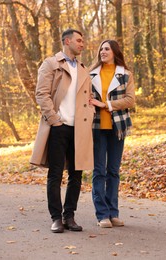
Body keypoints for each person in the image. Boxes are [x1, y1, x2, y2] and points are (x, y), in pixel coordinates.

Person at [30, 29, 94, 233]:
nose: (82, 44)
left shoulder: (84, 68)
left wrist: (90, 112)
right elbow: (41, 94)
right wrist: (54, 119)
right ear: (67, 41)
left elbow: (89, 98)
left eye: (82, 41)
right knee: (55, 174)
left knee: (76, 175)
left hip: (80, 129)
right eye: (79, 40)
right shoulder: (51, 64)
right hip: (59, 127)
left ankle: (70, 216)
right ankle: (56, 218)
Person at [89, 40, 135, 228]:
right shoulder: (90, 74)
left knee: (113, 172)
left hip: (118, 127)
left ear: (115, 52)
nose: (102, 51)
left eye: (106, 49)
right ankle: (102, 215)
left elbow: (130, 100)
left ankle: (113, 212)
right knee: (99, 171)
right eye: (101, 49)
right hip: (97, 127)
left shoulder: (125, 75)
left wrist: (105, 105)